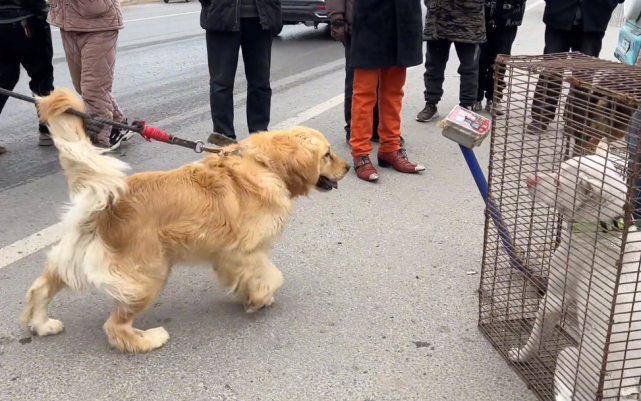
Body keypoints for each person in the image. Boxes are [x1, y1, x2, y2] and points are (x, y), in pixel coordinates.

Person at [348, 0, 424, 182]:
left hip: (404, 19)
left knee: (394, 93)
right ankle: (360, 153)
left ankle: (390, 148)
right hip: (371, 19)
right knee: (364, 94)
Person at [528, 0, 625, 134]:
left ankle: (574, 120)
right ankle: (540, 117)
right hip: (559, 13)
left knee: (583, 75)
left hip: (594, 18)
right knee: (551, 68)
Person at [48, 0, 132, 150]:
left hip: (99, 23)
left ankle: (100, 138)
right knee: (81, 85)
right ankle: (118, 125)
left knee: (94, 88)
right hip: (68, 22)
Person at [199, 0, 282, 142]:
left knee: (260, 83)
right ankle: (223, 138)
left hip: (261, 18)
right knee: (221, 83)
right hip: (221, 15)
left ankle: (259, 137)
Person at [326, 0, 405, 146]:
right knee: (358, 84)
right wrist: (337, 18)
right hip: (357, 25)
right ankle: (354, 128)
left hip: (387, 25)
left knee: (384, 82)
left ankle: (376, 127)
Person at [417, 0, 486, 123]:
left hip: (470, 22)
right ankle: (431, 103)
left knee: (469, 68)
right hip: (438, 20)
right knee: (433, 66)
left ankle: (466, 107)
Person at [0, 0, 55, 154]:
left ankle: (48, 128)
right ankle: (47, 129)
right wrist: (44, 11)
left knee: (4, 80)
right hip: (26, 23)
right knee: (41, 77)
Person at [473, 0, 526, 115]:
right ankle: (475, 97)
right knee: (479, 60)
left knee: (500, 61)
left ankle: (494, 98)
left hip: (509, 18)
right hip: (480, 16)